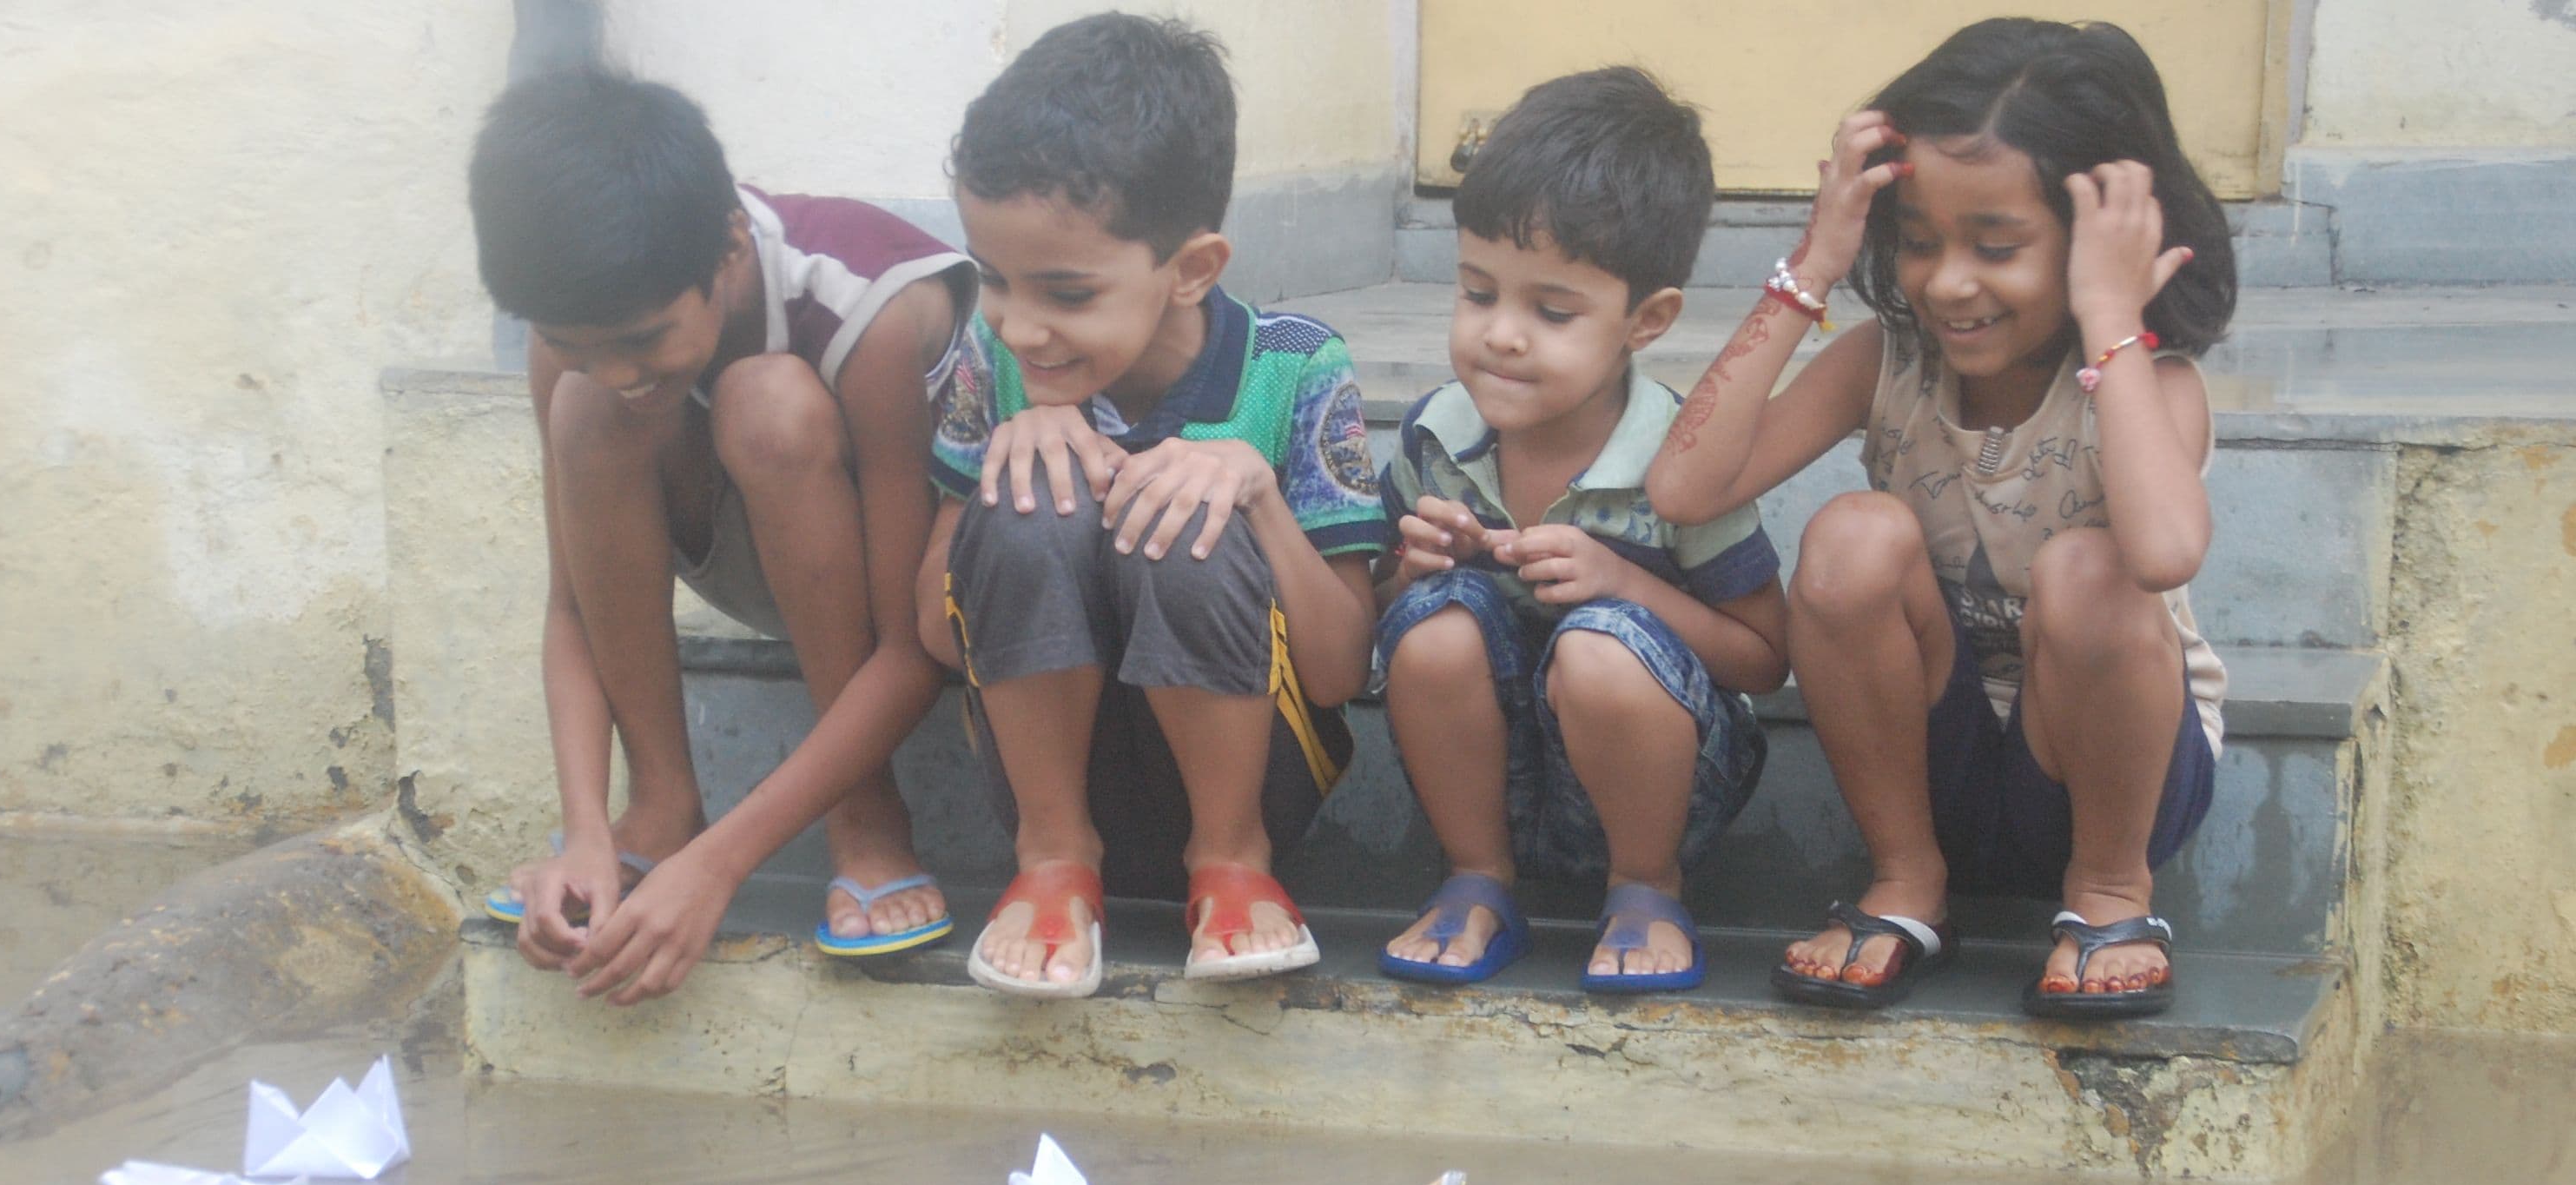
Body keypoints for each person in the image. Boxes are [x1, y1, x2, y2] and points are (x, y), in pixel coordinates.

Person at [1645, 18, 2236, 1018]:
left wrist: (2109, 322)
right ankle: (1905, 883)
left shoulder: (2148, 386)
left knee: (2089, 572)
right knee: (1847, 535)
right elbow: (1684, 491)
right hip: (1935, 769)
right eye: (1918, 244)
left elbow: (2164, 550)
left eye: (1995, 246)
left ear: (2094, 240)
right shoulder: (1888, 361)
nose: (1947, 282)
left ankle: (2107, 902)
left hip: (2113, 779)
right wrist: (1810, 267)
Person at [467, 68, 974, 1006]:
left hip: (897, 593)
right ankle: (656, 808)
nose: (617, 371)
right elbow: (569, 607)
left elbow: (911, 650)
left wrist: (722, 865)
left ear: (731, 246)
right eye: (576, 342)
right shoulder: (580, 339)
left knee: (766, 401)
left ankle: (865, 817)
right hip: (735, 547)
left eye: (644, 339)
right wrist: (582, 831)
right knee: (582, 412)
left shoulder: (871, 307)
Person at [917, 13, 1389, 998]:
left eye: (1066, 292)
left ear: (1191, 269)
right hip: (1048, 772)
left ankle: (1231, 863)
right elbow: (932, 633)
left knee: (1190, 509)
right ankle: (1050, 864)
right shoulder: (992, 356)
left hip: (1253, 769)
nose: (1021, 324)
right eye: (993, 279)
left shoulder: (1295, 365)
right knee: (1033, 499)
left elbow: (1342, 668)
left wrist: (1254, 494)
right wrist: (1006, 468)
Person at [1375, 68, 1786, 993]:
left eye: (1551, 311)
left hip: (1659, 781)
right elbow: (1371, 612)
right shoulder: (1435, 437)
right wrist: (1406, 571)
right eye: (1477, 293)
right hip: (1499, 778)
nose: (1502, 335)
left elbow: (1764, 659)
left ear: (1646, 321)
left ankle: (1645, 891)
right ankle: (1474, 881)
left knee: (1603, 645)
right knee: (1434, 620)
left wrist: (1625, 584)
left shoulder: (1683, 461)